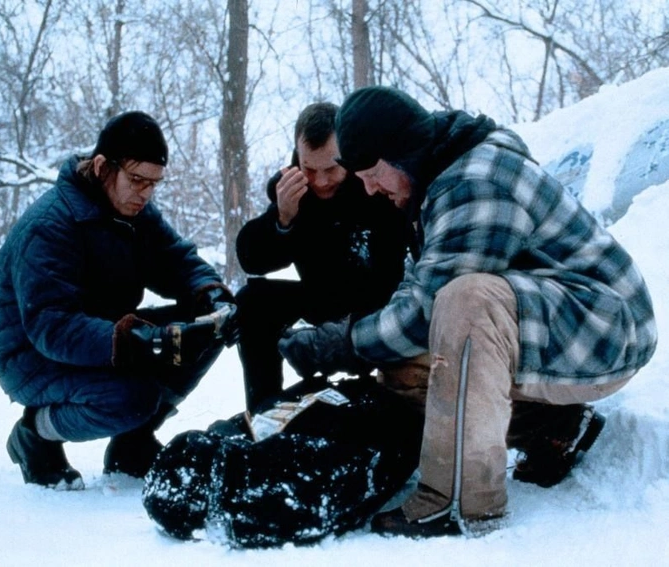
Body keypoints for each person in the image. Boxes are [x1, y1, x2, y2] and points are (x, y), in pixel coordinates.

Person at [278, 86, 658, 538]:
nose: (370, 188)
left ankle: (458, 501)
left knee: (463, 303)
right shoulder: (438, 178)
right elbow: (416, 291)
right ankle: (554, 429)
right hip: (562, 325)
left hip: (605, 328)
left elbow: (425, 309)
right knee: (403, 366)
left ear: (403, 152)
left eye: (374, 173)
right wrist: (359, 339)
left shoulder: (474, 182)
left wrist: (343, 343)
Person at [0, 111, 238, 490]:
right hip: (32, 357)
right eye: (137, 180)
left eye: (154, 184)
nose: (145, 193)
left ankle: (132, 444)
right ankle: (35, 434)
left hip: (103, 337)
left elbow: (176, 260)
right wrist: (138, 341)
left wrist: (214, 298)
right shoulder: (50, 226)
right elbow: (52, 327)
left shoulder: (134, 213)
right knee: (132, 398)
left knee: (206, 328)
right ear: (103, 166)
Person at [235, 102, 413, 411]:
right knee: (252, 301)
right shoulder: (294, 189)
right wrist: (283, 220)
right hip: (324, 297)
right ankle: (264, 410)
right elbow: (252, 260)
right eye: (310, 169)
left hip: (382, 300)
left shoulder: (373, 178)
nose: (320, 181)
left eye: (331, 169)